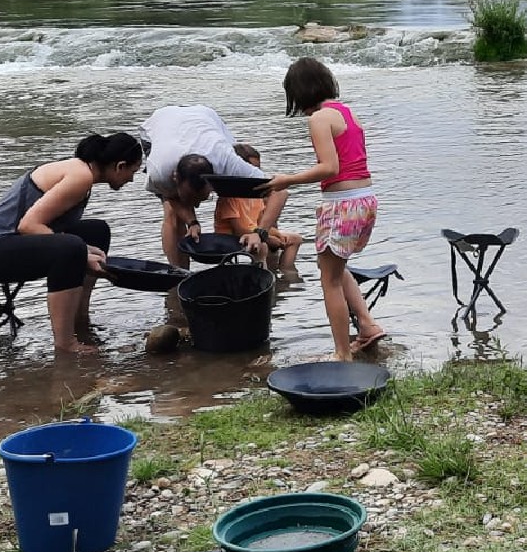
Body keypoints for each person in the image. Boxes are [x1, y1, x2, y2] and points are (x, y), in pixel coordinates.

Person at [0, 132, 143, 354]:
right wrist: (83, 254)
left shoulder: (82, 172)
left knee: (97, 231)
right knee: (72, 248)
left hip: (11, 243)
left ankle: (80, 319)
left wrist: (85, 249)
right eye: (133, 172)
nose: (131, 180)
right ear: (120, 166)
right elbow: (28, 225)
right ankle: (65, 344)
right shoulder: (81, 176)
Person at [268, 57, 386, 359]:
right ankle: (367, 325)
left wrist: (287, 180)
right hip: (365, 201)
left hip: (342, 205)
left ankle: (342, 353)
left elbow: (329, 167)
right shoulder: (347, 112)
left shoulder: (319, 119)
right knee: (334, 266)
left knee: (329, 280)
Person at [140, 105, 277, 271]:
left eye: (202, 198)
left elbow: (279, 191)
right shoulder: (160, 171)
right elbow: (169, 196)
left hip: (205, 117)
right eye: (190, 198)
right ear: (175, 178)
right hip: (160, 123)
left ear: (213, 180)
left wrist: (261, 232)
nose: (196, 206)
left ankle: (272, 265)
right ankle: (178, 274)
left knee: (262, 197)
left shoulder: (228, 162)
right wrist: (192, 222)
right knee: (172, 213)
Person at [215, 142, 302, 275]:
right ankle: (262, 276)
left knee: (295, 239)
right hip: (233, 238)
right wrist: (267, 238)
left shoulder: (256, 196)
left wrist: (276, 235)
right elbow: (238, 230)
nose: (256, 174)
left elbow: (260, 223)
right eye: (252, 169)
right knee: (262, 246)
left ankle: (286, 275)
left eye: (258, 169)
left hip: (255, 233)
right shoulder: (229, 198)